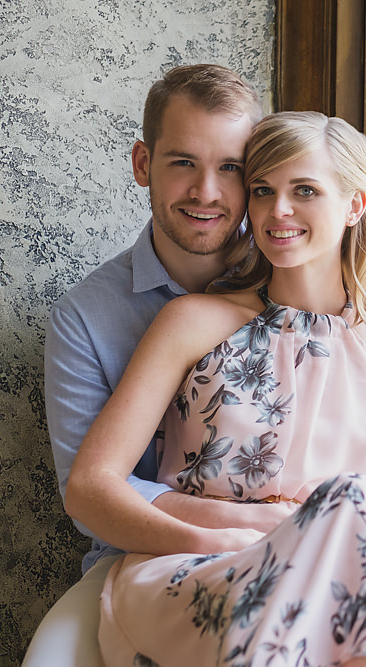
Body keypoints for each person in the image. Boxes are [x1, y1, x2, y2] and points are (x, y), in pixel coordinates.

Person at [65, 111, 366, 666]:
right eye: (263, 190)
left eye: (305, 190)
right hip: (208, 567)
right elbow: (89, 487)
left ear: (355, 205)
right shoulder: (193, 321)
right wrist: (219, 540)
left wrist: (341, 519)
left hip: (356, 563)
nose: (278, 211)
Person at [29, 64, 266, 667]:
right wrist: (222, 535)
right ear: (143, 165)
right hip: (139, 559)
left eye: (231, 167)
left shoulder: (297, 288)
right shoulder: (84, 317)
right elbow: (95, 501)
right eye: (183, 162)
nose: (207, 191)